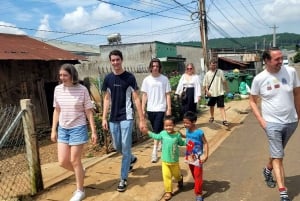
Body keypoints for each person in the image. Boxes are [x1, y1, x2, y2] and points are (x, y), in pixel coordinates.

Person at [249, 47, 300, 201]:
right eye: (277, 59)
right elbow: (252, 101)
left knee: (277, 152)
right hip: (272, 124)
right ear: (266, 60)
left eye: (281, 58)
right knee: (279, 156)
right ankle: (283, 192)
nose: (281, 62)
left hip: (291, 121)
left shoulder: (290, 72)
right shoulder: (259, 79)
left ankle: (267, 169)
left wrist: (299, 114)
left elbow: (297, 93)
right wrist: (261, 121)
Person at [50, 63, 98, 201]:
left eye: (65, 75)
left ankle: (80, 190)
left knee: (74, 160)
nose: (62, 78)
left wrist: (93, 131)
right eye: (60, 75)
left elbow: (88, 111)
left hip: (78, 127)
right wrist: (53, 130)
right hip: (63, 128)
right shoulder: (57, 89)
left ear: (72, 75)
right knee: (62, 161)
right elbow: (56, 110)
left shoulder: (82, 89)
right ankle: (81, 173)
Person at [101, 49, 146, 192]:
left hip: (127, 117)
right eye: (113, 60)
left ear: (121, 60)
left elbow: (136, 98)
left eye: (117, 60)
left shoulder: (130, 77)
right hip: (113, 118)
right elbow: (107, 99)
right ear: (110, 62)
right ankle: (132, 159)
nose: (115, 62)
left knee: (125, 148)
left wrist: (141, 120)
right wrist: (103, 117)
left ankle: (123, 178)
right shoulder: (108, 79)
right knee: (117, 146)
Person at [141, 115, 185, 201]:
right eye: (166, 126)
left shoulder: (177, 135)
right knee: (166, 177)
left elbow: (182, 143)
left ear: (174, 125)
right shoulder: (162, 133)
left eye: (170, 125)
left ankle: (180, 179)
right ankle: (168, 191)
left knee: (177, 176)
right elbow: (155, 136)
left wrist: (191, 142)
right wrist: (147, 132)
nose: (168, 127)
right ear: (164, 126)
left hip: (174, 161)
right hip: (165, 161)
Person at [141, 58, 172, 163]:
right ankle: (162, 141)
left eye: (157, 66)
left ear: (159, 68)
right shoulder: (146, 80)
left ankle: (154, 152)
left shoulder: (164, 79)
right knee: (156, 128)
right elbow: (144, 95)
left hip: (161, 107)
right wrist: (142, 108)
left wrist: (169, 108)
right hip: (150, 108)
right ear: (150, 67)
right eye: (153, 66)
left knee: (156, 130)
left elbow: (167, 94)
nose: (155, 68)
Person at [183, 111, 208, 201]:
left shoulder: (199, 133)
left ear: (193, 122)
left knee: (198, 175)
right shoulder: (187, 130)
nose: (185, 125)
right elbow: (187, 138)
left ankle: (199, 194)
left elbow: (205, 143)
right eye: (184, 122)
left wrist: (206, 155)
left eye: (187, 123)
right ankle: (198, 184)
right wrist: (180, 135)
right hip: (189, 156)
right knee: (194, 173)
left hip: (198, 157)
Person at [202, 59, 229, 126]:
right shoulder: (207, 74)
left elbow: (224, 81)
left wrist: (227, 88)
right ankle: (212, 117)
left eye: (215, 64)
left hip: (219, 92)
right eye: (212, 64)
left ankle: (224, 120)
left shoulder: (220, 72)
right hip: (211, 93)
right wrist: (207, 91)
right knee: (211, 106)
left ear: (216, 65)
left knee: (221, 106)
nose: (213, 66)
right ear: (209, 65)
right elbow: (205, 84)